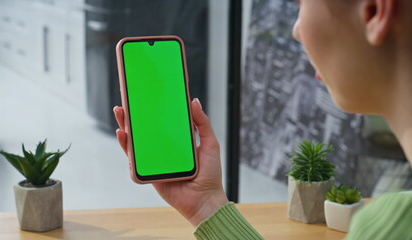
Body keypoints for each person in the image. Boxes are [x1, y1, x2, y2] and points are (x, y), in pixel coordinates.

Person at [113, 0, 412, 239]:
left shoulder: (391, 226)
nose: (295, 30)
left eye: (300, 5)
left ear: (374, 11)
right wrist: (206, 205)